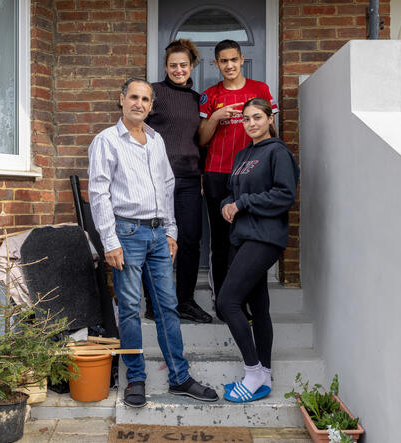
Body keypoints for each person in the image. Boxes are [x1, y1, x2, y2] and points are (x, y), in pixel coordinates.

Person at [88, 78, 219, 408]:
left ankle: (179, 377)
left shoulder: (156, 140)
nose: (139, 104)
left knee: (167, 307)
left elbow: (167, 184)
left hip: (159, 235)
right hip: (127, 234)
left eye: (145, 99)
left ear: (151, 105)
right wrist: (110, 241)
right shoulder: (106, 141)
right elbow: (98, 194)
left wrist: (172, 231)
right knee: (131, 309)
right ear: (121, 100)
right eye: (134, 97)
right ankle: (135, 378)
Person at [218, 98, 299, 403]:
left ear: (269, 118)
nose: (251, 123)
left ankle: (251, 372)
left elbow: (284, 194)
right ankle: (264, 374)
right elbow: (233, 190)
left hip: (264, 237)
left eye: (257, 117)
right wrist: (227, 203)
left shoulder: (278, 152)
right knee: (259, 305)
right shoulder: (243, 155)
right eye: (246, 119)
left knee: (227, 302)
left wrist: (244, 203)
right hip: (242, 235)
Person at [198, 40, 278, 319]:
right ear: (216, 64)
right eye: (223, 61)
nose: (229, 65)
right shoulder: (210, 95)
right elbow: (202, 139)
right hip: (218, 173)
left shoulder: (260, 90)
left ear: (242, 59)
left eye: (233, 59)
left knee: (249, 239)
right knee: (220, 241)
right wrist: (216, 117)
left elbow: (272, 129)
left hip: (252, 173)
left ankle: (244, 299)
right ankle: (223, 303)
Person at [141, 39, 212, 324]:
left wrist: (204, 174)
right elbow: (134, 126)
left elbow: (202, 141)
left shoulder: (198, 100)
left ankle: (185, 301)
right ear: (166, 67)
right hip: (156, 180)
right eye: (173, 65)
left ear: (191, 65)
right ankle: (153, 301)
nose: (178, 69)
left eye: (183, 65)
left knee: (190, 241)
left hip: (190, 179)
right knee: (155, 240)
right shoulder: (153, 93)